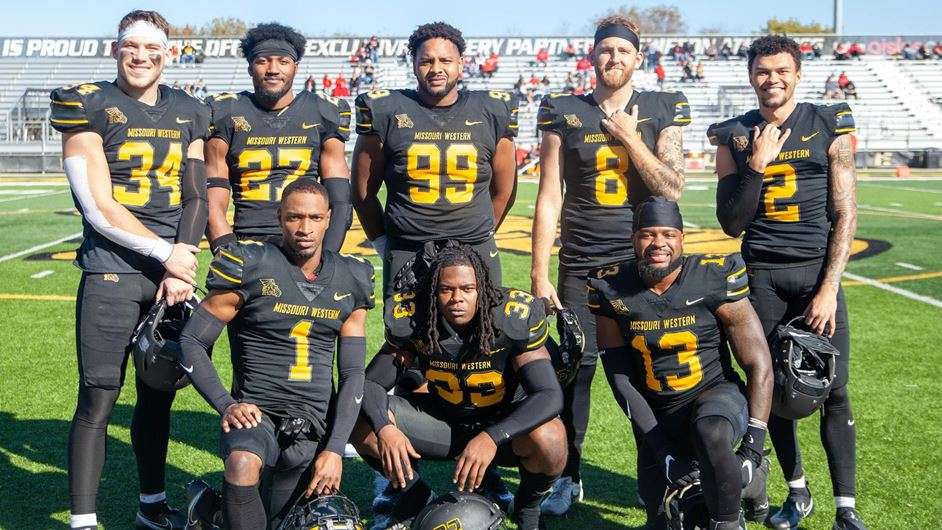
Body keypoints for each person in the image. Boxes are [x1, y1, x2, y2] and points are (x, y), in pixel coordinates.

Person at [49, 10, 210, 530]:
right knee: (98, 395)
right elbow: (97, 206)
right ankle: (83, 520)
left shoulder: (188, 109)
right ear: (115, 49)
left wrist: (181, 262)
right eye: (131, 47)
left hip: (170, 274)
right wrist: (170, 255)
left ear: (168, 55)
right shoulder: (88, 105)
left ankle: (152, 505)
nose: (141, 57)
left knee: (159, 392)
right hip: (112, 268)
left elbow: (195, 196)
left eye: (152, 49)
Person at [530, 14, 690, 517]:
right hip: (579, 264)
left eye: (624, 51)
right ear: (592, 56)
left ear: (638, 58)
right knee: (576, 372)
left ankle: (668, 470)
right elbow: (549, 194)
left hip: (642, 265)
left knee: (652, 371)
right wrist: (538, 272)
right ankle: (568, 475)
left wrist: (630, 138)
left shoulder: (661, 109)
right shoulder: (565, 110)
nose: (614, 58)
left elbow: (672, 186)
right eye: (606, 50)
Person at [707, 35, 865, 530]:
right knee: (771, 388)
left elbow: (846, 212)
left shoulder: (827, 123)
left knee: (833, 389)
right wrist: (756, 163)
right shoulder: (735, 134)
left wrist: (828, 287)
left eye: (781, 71)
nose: (771, 79)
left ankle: (846, 507)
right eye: (762, 71)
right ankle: (797, 493)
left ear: (797, 74)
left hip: (815, 274)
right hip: (763, 277)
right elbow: (731, 222)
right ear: (750, 75)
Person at [179, 179, 374, 529]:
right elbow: (191, 340)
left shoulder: (351, 277)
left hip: (312, 421)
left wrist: (334, 448)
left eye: (315, 218)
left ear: (329, 219)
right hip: (257, 415)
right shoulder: (248, 263)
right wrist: (227, 404)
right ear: (279, 218)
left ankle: (214, 515)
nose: (304, 228)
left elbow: (352, 374)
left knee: (287, 523)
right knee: (241, 463)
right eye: (294, 217)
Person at [588, 197, 773, 530]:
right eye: (648, 234)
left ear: (682, 238)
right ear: (633, 238)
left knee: (711, 431)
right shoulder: (609, 286)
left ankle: (730, 521)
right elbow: (621, 379)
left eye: (668, 234)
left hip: (715, 398)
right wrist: (662, 450)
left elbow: (758, 362)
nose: (659, 243)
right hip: (658, 412)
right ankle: (748, 482)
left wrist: (754, 445)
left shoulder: (715, 275)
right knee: (663, 520)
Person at [351, 243, 566, 530]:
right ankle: (417, 496)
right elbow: (373, 382)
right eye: (446, 289)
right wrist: (385, 427)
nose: (456, 298)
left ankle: (527, 510)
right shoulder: (415, 318)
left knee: (550, 436)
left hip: (502, 426)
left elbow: (549, 395)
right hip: (444, 422)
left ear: (483, 289)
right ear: (433, 291)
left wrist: (492, 436)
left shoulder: (512, 317)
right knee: (357, 418)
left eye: (467, 289)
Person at [352, 21, 517, 300]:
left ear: (461, 64)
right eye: (426, 60)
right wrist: (383, 242)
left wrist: (480, 232)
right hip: (408, 250)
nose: (436, 68)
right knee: (407, 339)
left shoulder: (492, 110)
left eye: (446, 60)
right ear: (414, 63)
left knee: (482, 337)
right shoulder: (386, 109)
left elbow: (504, 192)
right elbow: (362, 192)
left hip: (474, 247)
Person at [205, 23, 353, 254]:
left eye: (283, 61)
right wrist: (228, 254)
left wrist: (327, 258)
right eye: (263, 61)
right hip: (248, 241)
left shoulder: (323, 112)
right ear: (250, 67)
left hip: (304, 243)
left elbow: (340, 201)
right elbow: (212, 202)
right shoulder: (226, 112)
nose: (273, 69)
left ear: (296, 67)